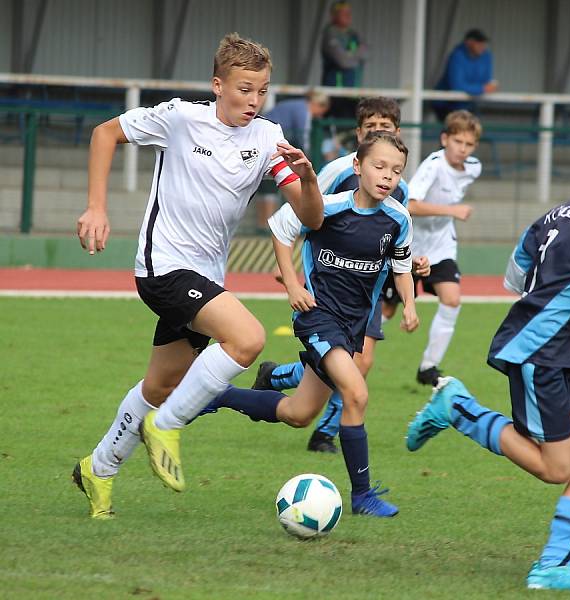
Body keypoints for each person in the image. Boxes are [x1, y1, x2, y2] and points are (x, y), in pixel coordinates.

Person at [405, 118, 570, 593]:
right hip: (540, 348)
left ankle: (554, 567)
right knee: (558, 467)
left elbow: (515, 277)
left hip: (561, 343)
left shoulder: (555, 213)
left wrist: (564, 318)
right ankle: (458, 409)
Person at [71, 33, 324, 519]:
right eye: (245, 89)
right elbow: (105, 134)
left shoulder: (270, 138)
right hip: (163, 266)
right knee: (247, 339)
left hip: (204, 277)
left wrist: (308, 179)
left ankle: (97, 469)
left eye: (262, 91)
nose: (253, 101)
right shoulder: (181, 118)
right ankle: (166, 427)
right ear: (218, 85)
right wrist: (97, 206)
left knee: (159, 385)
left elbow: (310, 218)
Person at [198, 97, 430, 456]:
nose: (378, 134)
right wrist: (293, 274)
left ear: (397, 134)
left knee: (311, 398)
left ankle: (271, 379)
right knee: (356, 373)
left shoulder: (400, 193)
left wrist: (413, 270)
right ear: (359, 137)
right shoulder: (338, 172)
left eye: (385, 129)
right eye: (371, 129)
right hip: (326, 291)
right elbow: (311, 213)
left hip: (366, 292)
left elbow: (392, 241)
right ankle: (329, 438)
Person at [409, 110, 482, 386]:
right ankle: (352, 355)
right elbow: (411, 205)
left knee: (452, 299)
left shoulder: (474, 168)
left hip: (441, 246)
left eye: (469, 144)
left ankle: (429, 366)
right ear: (444, 139)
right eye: (457, 142)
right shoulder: (433, 166)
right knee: (387, 311)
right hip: (411, 246)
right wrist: (452, 210)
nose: (462, 149)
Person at [256, 91, 330, 229]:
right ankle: (266, 226)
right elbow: (304, 135)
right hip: (273, 148)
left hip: (265, 145)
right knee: (269, 189)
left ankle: (263, 225)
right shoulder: (303, 110)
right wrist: (307, 156)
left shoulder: (296, 105)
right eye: (321, 111)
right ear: (317, 104)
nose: (319, 116)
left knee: (266, 189)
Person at [432, 29, 498, 122]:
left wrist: (487, 87)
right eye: (478, 43)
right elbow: (457, 85)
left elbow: (486, 81)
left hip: (469, 103)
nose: (482, 46)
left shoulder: (486, 56)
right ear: (469, 42)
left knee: (472, 130)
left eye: (483, 43)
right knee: (454, 130)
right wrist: (482, 89)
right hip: (447, 104)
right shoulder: (457, 56)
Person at [321, 1, 368, 119]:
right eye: (343, 13)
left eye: (348, 13)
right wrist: (355, 56)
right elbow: (343, 61)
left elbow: (366, 54)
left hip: (353, 92)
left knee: (354, 128)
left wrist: (348, 56)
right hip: (336, 93)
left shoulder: (353, 34)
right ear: (334, 16)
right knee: (337, 128)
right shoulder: (330, 33)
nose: (347, 16)